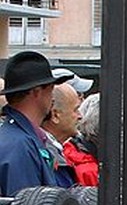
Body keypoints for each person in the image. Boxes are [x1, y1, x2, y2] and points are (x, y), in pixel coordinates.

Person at [0, 52, 73, 195]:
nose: (52, 98)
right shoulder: (19, 145)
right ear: (36, 92)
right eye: (51, 89)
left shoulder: (20, 139)